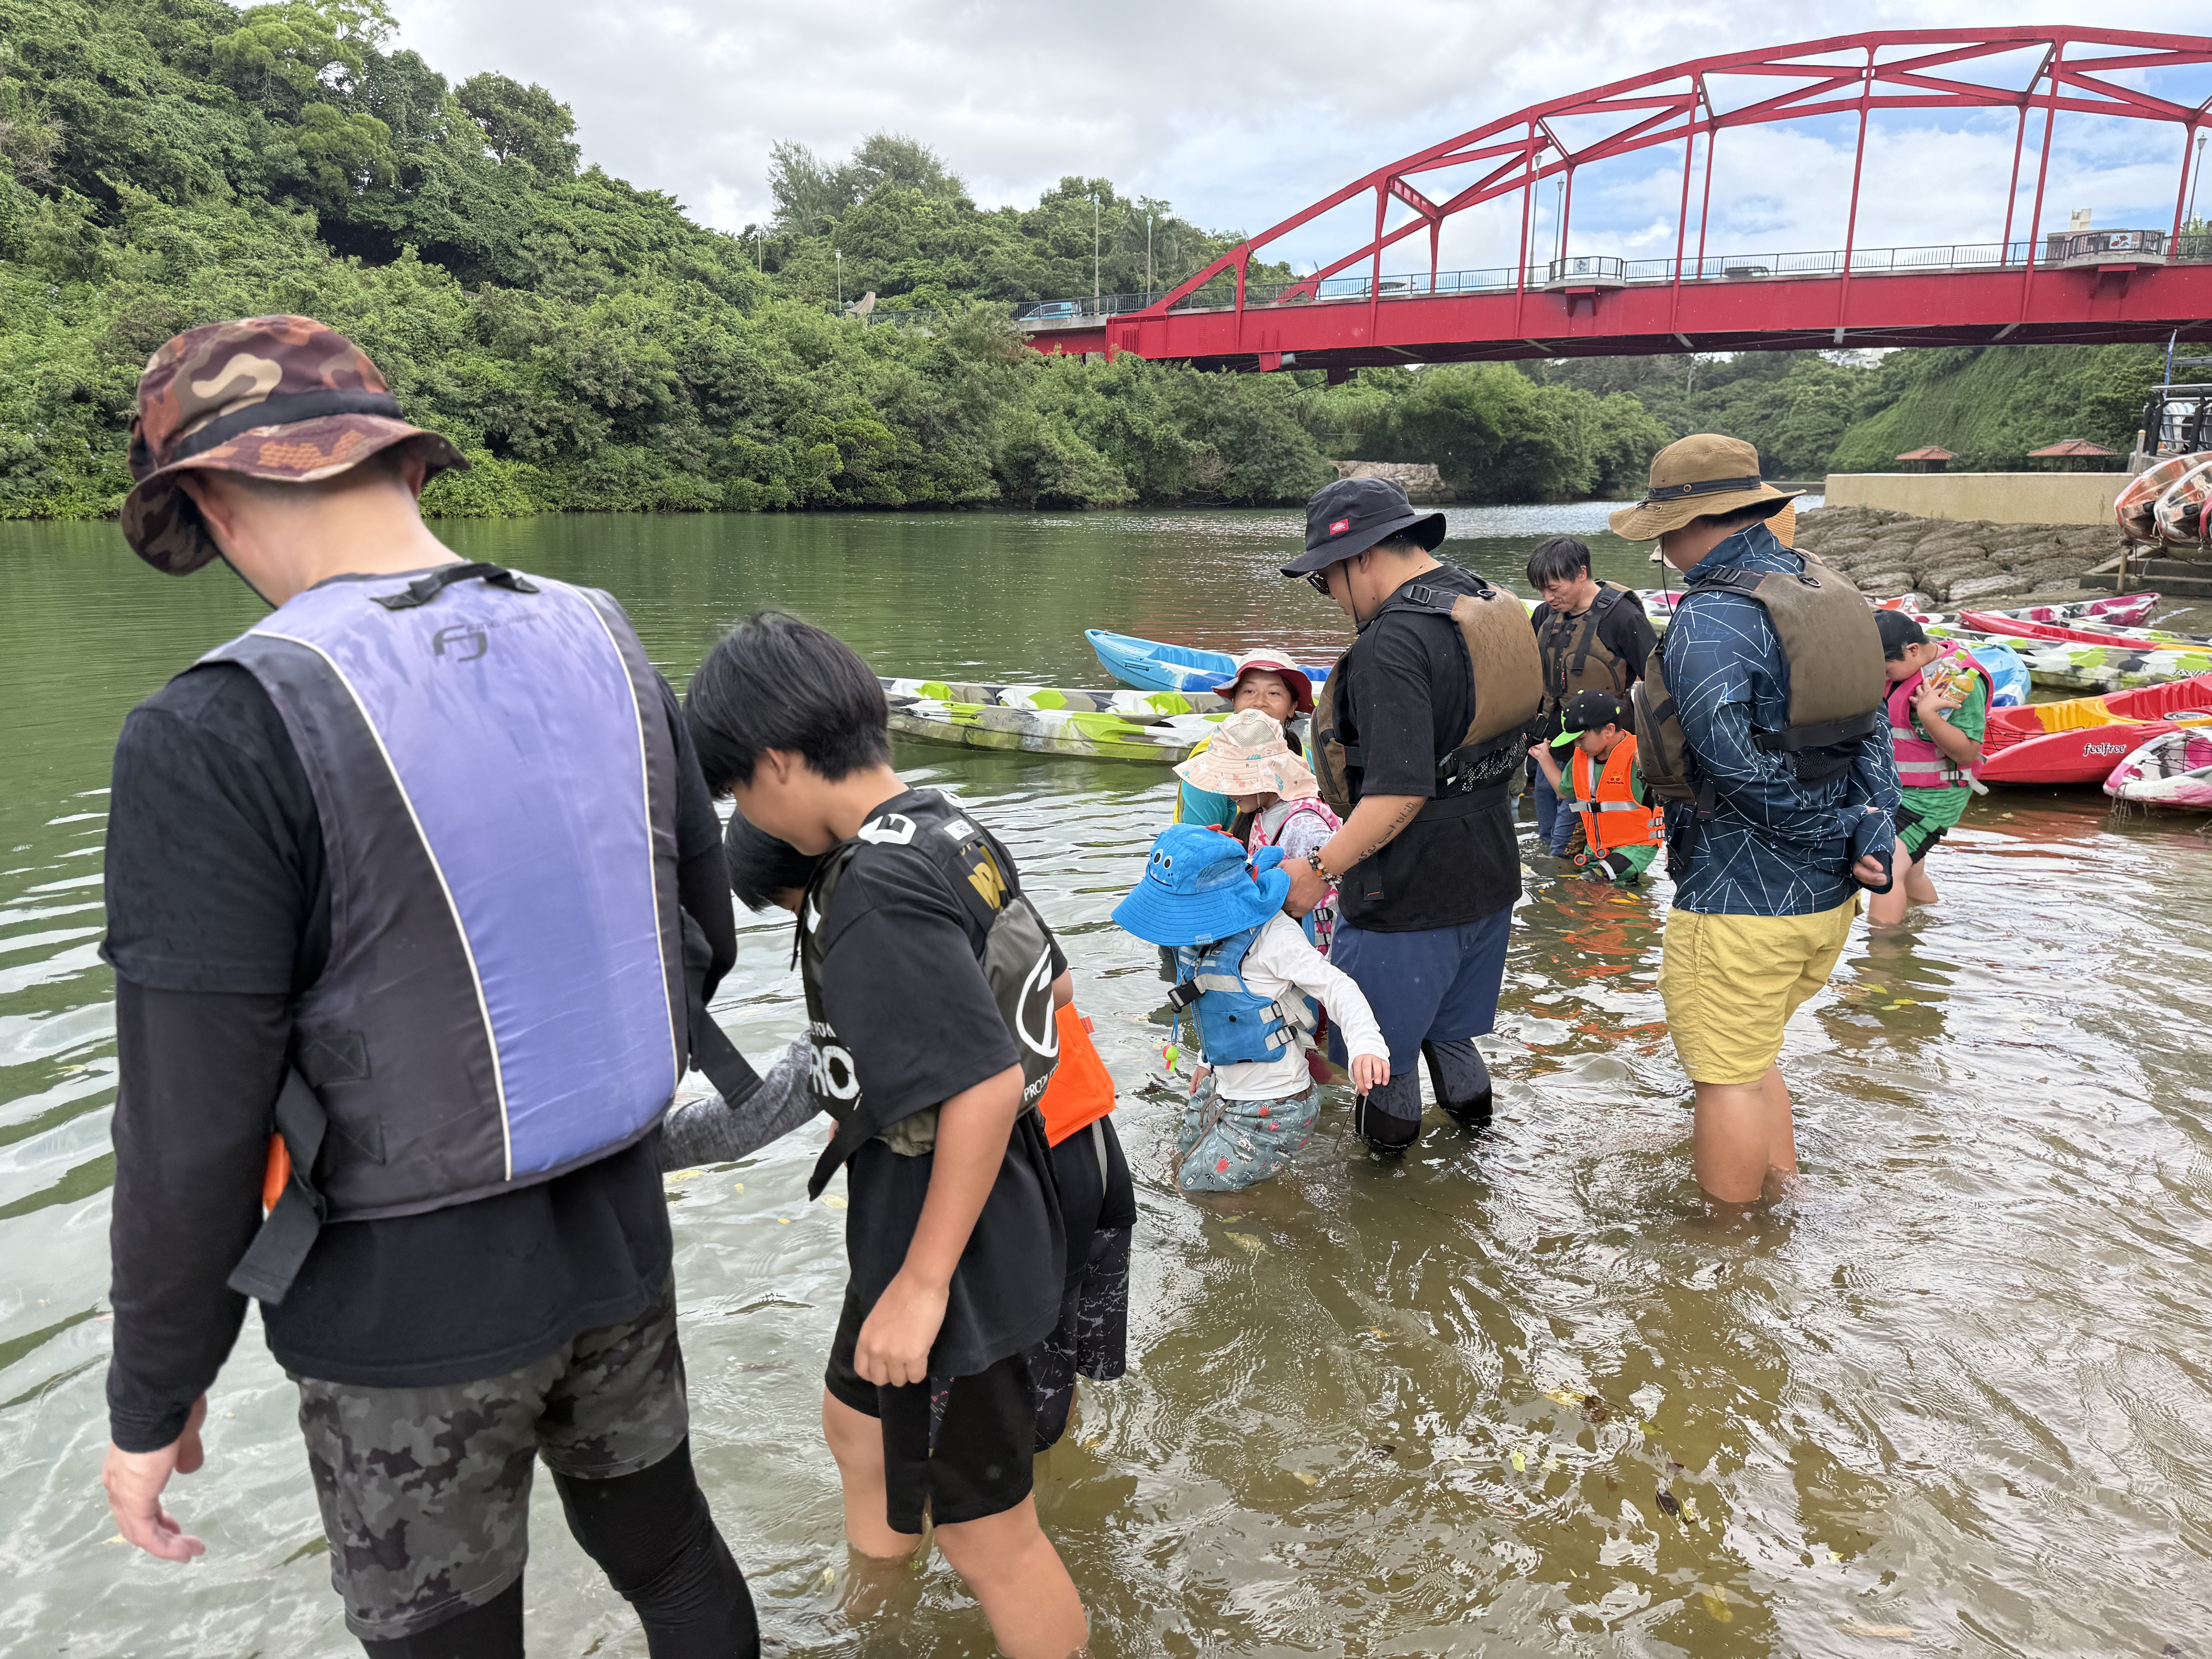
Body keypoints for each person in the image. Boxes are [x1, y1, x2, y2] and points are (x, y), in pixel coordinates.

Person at [98, 317, 759, 1656]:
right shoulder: (607, 637)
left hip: (402, 1306)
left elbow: (191, 1131)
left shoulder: (215, 727)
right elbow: (698, 936)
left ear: (214, 500)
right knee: (674, 1559)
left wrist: (151, 1394)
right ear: (400, 463)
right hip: (617, 1241)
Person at [682, 611, 1087, 1659]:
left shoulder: (872, 893)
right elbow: (1047, 981)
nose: (743, 809)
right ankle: (876, 1617)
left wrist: (921, 1284)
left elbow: (989, 1085)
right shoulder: (945, 826)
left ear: (777, 763)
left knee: (992, 1537)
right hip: (932, 1218)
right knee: (854, 1420)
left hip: (953, 1245)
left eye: (739, 789)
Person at [712, 809, 1133, 1459]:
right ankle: (1068, 1493)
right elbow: (1059, 982)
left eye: (793, 908)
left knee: (975, 1442)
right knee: (1055, 1369)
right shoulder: (946, 863)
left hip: (1023, 1180)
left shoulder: (866, 933)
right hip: (1092, 1145)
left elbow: (777, 1105)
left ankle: (1022, 1521)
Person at [1612, 434, 1899, 1206]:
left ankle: (1730, 1258)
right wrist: (1871, 827)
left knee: (1723, 1080)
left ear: (1683, 525)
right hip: (1826, 902)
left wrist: (1834, 832)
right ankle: (1785, 1191)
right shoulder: (1825, 589)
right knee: (1751, 1056)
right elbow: (1871, 726)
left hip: (1742, 902)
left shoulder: (1713, 615)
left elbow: (1734, 766)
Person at [1278, 476, 1545, 1154]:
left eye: (1325, 580)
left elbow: (1398, 793)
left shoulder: (1391, 644)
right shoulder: (1480, 600)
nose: (1332, 596)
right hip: (1487, 871)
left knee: (1381, 1058)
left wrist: (1317, 868)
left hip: (1406, 891)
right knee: (1450, 1030)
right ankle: (1478, 1175)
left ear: (1361, 556)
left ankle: (1381, 1211)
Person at [1113, 825, 1390, 1193]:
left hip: (1276, 1103)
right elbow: (1217, 1006)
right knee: (1178, 1165)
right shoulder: (1199, 943)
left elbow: (1338, 987)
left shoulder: (1272, 936)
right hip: (1221, 1085)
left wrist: (1367, 1044)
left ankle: (1285, 1227)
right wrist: (1205, 1062)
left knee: (1200, 1191)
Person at [1524, 536, 1659, 858]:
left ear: (1581, 573)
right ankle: (1558, 885)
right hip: (1553, 742)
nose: (1548, 597)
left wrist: (1650, 744)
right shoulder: (1544, 615)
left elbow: (1659, 683)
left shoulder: (1623, 618)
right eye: (1542, 590)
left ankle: (1576, 892)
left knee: (1571, 842)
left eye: (1555, 588)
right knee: (1547, 831)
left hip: (1600, 748)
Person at [1868, 611, 1989, 927]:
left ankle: (1883, 955)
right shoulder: (1905, 670)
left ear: (1913, 651)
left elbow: (1967, 753)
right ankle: (1928, 925)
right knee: (1912, 868)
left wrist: (1929, 714)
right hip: (1899, 788)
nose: (1883, 677)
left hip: (1934, 795)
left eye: (1886, 669)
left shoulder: (1961, 681)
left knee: (1885, 862)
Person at [1528, 689, 1664, 886]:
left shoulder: (1640, 756)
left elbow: (1676, 786)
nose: (1576, 744)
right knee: (1572, 885)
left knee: (1589, 883)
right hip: (1597, 848)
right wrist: (1544, 757)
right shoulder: (1581, 758)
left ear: (1609, 730)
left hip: (1636, 847)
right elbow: (1563, 792)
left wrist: (1651, 762)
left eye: (1581, 738)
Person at [1175, 649, 1316, 831]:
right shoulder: (1209, 766)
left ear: (1292, 707)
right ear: (1234, 701)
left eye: (1274, 693)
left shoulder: (1306, 760)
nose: (1259, 702)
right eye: (1249, 691)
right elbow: (1198, 847)